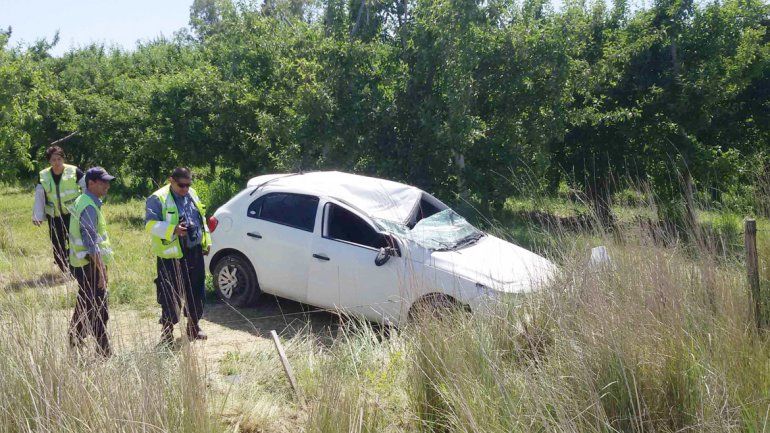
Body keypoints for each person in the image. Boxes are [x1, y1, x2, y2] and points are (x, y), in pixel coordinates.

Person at [145, 167, 211, 345]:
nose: (185, 189)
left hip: (194, 250)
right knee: (170, 294)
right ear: (171, 180)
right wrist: (172, 230)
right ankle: (167, 333)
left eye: (188, 185)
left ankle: (193, 326)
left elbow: (201, 219)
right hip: (171, 254)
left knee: (197, 291)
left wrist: (206, 241)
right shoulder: (157, 198)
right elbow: (149, 225)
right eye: (181, 185)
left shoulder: (192, 193)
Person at [68, 167, 115, 357]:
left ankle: (74, 338)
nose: (107, 185)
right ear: (91, 183)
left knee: (87, 305)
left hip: (86, 264)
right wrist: (102, 271)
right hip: (89, 265)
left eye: (107, 181)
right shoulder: (88, 205)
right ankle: (104, 351)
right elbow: (90, 243)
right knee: (98, 309)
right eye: (102, 182)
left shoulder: (86, 201)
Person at [33, 146, 86, 273]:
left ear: (63, 158)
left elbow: (86, 189)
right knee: (57, 244)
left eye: (59, 159)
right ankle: (64, 269)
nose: (57, 162)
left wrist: (86, 209)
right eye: (53, 160)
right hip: (54, 215)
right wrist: (37, 216)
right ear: (49, 161)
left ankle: (77, 268)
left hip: (73, 214)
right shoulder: (43, 175)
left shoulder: (74, 171)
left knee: (75, 242)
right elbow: (39, 196)